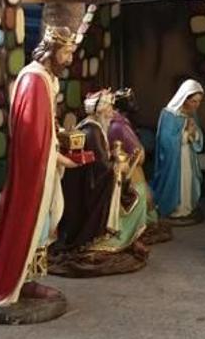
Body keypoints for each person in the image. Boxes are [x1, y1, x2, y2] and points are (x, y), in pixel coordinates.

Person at [0, 26, 78, 306]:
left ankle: (27, 279)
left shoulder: (45, 78)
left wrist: (57, 150)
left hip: (42, 168)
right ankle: (16, 281)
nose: (69, 59)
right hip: (33, 173)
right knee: (31, 225)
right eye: (65, 52)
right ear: (52, 52)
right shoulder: (35, 81)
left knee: (45, 223)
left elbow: (44, 129)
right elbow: (31, 138)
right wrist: (58, 158)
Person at [50, 89, 149, 277]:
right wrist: (118, 166)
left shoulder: (95, 128)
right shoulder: (92, 131)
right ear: (100, 111)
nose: (112, 112)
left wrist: (114, 159)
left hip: (95, 185)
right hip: (92, 191)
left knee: (135, 195)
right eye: (109, 108)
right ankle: (107, 241)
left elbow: (100, 162)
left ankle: (121, 238)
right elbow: (101, 170)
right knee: (138, 197)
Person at [108, 89, 172, 244]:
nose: (134, 104)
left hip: (129, 167)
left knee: (146, 198)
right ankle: (132, 230)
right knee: (140, 197)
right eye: (130, 100)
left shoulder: (120, 122)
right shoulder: (119, 126)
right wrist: (137, 154)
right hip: (129, 170)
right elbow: (139, 153)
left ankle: (145, 223)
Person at [150, 79, 204, 221]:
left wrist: (194, 133)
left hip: (188, 156)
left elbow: (198, 135)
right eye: (193, 101)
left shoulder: (192, 114)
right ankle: (175, 208)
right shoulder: (168, 114)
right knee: (178, 182)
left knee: (188, 180)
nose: (196, 105)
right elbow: (165, 140)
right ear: (184, 98)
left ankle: (187, 207)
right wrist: (185, 134)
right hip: (174, 160)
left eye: (199, 101)